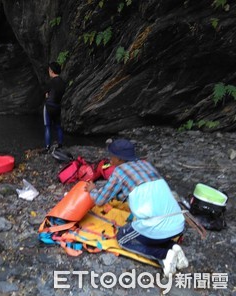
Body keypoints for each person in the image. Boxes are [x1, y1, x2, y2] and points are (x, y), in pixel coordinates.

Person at [84, 139, 189, 277]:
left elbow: (99, 200)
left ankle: (164, 255)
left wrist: (92, 190)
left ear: (120, 158)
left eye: (112, 155)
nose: (110, 158)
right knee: (150, 232)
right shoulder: (146, 165)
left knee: (123, 238)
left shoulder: (120, 171)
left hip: (159, 225)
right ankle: (174, 248)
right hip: (178, 223)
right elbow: (129, 191)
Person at [43, 62, 66, 153]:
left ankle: (47, 147)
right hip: (57, 106)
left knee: (47, 126)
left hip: (49, 106)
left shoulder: (50, 82)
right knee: (58, 126)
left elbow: (46, 94)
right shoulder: (63, 82)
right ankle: (60, 145)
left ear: (51, 71)